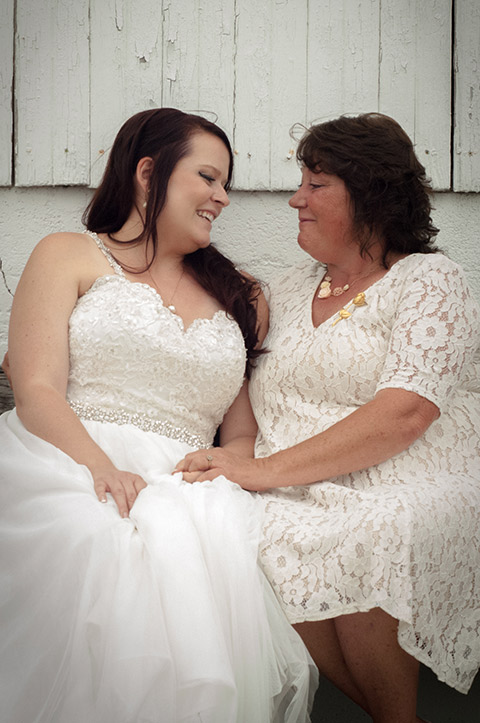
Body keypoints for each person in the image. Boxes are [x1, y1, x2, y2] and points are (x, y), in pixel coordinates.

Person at [0, 108, 317, 723]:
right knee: (92, 541)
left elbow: (241, 427)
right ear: (148, 172)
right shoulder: (67, 255)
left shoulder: (242, 294)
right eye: (207, 177)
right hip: (68, 453)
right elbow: (36, 386)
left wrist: (233, 460)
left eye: (226, 184)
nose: (221, 198)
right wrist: (101, 468)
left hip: (186, 481)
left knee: (186, 550)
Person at [176, 112, 480, 723]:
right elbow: (242, 387)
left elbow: (405, 414)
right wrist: (240, 459)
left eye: (316, 184)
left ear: (369, 194)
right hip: (298, 483)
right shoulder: (287, 292)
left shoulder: (428, 280)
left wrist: (263, 473)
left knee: (374, 527)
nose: (296, 199)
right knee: (238, 529)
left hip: (410, 478)